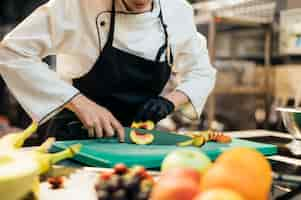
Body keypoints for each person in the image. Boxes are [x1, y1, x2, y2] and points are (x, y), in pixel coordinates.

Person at [0, 0, 216, 141]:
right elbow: (11, 51)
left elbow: (201, 71)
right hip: (72, 133)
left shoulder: (177, 11)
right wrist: (80, 103)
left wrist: (171, 101)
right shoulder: (77, 5)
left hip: (132, 139)